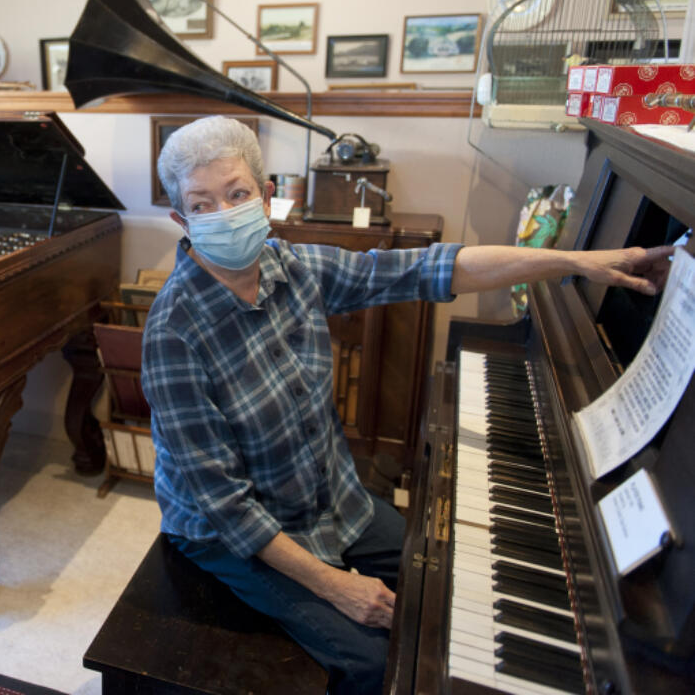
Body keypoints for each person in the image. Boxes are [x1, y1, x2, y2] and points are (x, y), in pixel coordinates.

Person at [140, 116, 672, 695]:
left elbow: (431, 269)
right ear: (181, 219)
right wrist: (335, 585)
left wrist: (576, 264)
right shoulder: (174, 331)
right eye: (202, 203)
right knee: (377, 666)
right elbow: (224, 506)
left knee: (450, 570)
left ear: (267, 197)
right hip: (234, 535)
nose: (223, 213)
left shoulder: (292, 267)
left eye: (237, 193)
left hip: (329, 499)